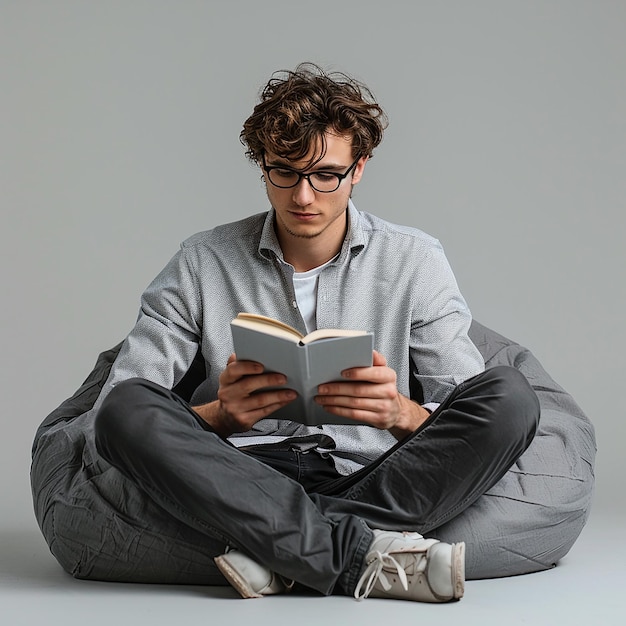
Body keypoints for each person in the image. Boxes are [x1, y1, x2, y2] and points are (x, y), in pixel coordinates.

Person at [31, 62, 540, 603]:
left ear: (359, 168)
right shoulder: (203, 260)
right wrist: (218, 416)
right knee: (124, 411)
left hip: (372, 474)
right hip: (236, 478)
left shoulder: (414, 259)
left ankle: (281, 550)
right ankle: (353, 553)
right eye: (285, 172)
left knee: (511, 397)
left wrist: (398, 413)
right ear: (262, 167)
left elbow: (463, 405)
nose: (303, 196)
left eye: (326, 175)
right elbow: (112, 414)